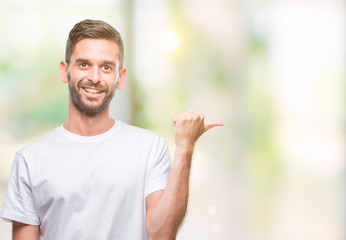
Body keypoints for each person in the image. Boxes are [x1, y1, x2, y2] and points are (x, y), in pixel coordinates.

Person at [1, 19, 223, 240]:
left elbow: (163, 234)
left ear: (120, 77)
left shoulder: (149, 148)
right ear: (65, 70)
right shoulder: (30, 160)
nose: (95, 77)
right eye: (84, 64)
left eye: (106, 67)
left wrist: (185, 148)